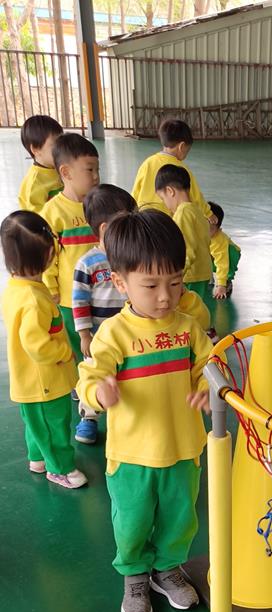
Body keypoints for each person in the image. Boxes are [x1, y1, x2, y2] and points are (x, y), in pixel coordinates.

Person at [76, 209, 213, 612]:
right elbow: (89, 376)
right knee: (133, 521)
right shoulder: (114, 334)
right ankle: (134, 573)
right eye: (150, 285)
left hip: (183, 447)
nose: (165, 296)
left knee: (180, 517)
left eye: (175, 282)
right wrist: (98, 393)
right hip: (132, 454)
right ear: (121, 283)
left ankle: (167, 569)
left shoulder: (188, 328)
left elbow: (208, 366)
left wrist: (207, 389)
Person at [0, 211, 87, 489]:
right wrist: (64, 352)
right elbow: (36, 344)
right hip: (45, 382)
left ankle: (37, 458)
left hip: (29, 380)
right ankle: (60, 469)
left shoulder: (16, 288)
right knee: (54, 426)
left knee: (35, 423)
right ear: (49, 255)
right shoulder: (34, 300)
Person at [72, 184, 137, 444]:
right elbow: (79, 301)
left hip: (128, 332)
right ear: (105, 229)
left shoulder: (131, 256)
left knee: (126, 373)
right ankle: (89, 416)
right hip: (99, 335)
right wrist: (84, 334)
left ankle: (126, 412)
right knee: (95, 374)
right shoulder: (87, 263)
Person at [40, 133, 100, 360]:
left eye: (98, 169)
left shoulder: (99, 205)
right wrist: (52, 288)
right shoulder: (53, 212)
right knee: (78, 344)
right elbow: (47, 256)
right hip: (70, 297)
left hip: (103, 291)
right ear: (66, 172)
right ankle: (80, 378)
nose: (96, 176)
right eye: (90, 169)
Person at [131, 117, 214, 221]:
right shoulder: (181, 169)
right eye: (187, 150)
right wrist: (208, 214)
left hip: (143, 219)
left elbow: (135, 193)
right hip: (166, 222)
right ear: (182, 147)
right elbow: (196, 196)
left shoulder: (147, 163)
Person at [154, 163, 213, 302]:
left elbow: (186, 249)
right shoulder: (196, 210)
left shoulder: (183, 212)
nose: (165, 204)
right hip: (202, 272)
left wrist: (175, 275)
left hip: (190, 275)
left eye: (163, 198)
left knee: (186, 310)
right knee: (196, 308)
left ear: (170, 191)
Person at [18, 115, 63, 214]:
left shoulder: (59, 167)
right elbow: (37, 218)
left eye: (62, 143)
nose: (61, 149)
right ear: (36, 149)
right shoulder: (35, 183)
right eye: (55, 145)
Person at [208, 201, 241, 300]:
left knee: (227, 258)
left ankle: (227, 281)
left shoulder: (219, 241)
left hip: (228, 256)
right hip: (212, 256)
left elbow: (222, 263)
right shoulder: (198, 234)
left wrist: (221, 284)